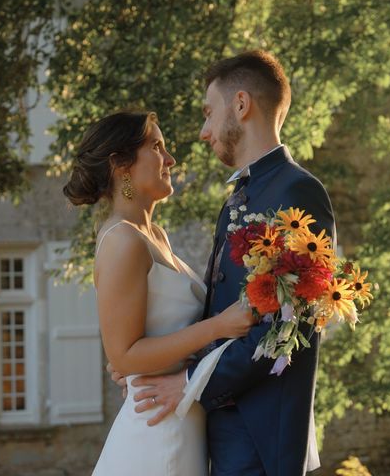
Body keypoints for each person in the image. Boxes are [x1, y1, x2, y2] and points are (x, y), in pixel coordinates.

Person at [116, 50, 336, 475]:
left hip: (261, 433)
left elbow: (288, 330)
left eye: (208, 113)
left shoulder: (298, 192)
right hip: (223, 428)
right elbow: (221, 313)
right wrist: (142, 358)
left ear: (241, 105)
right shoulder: (239, 197)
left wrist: (187, 383)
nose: (203, 131)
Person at [62, 111, 256, 476]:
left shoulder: (156, 236)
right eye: (156, 146)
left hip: (183, 421)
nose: (170, 159)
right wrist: (217, 327)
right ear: (121, 166)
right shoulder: (123, 240)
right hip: (156, 434)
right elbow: (123, 356)